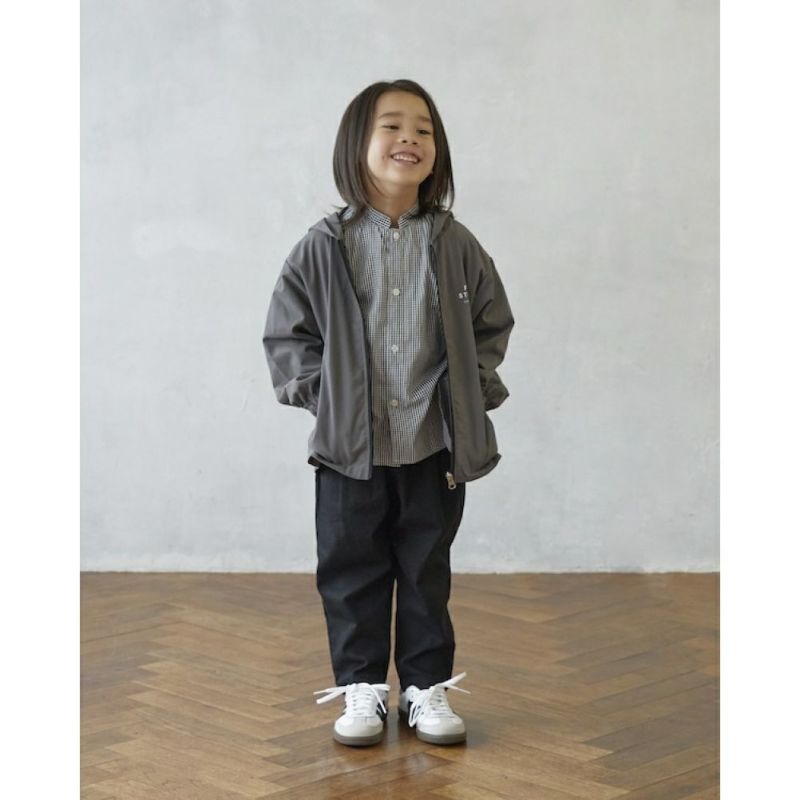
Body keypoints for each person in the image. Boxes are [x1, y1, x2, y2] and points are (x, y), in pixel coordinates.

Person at [262, 79, 514, 747]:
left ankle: (425, 689)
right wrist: (327, 399)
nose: (410, 139)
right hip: (351, 451)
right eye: (392, 126)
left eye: (424, 130)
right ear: (356, 145)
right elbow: (288, 336)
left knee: (426, 571)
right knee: (351, 573)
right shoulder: (324, 246)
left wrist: (472, 392)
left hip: (434, 446)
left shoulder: (455, 244)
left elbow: (492, 322)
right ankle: (363, 688)